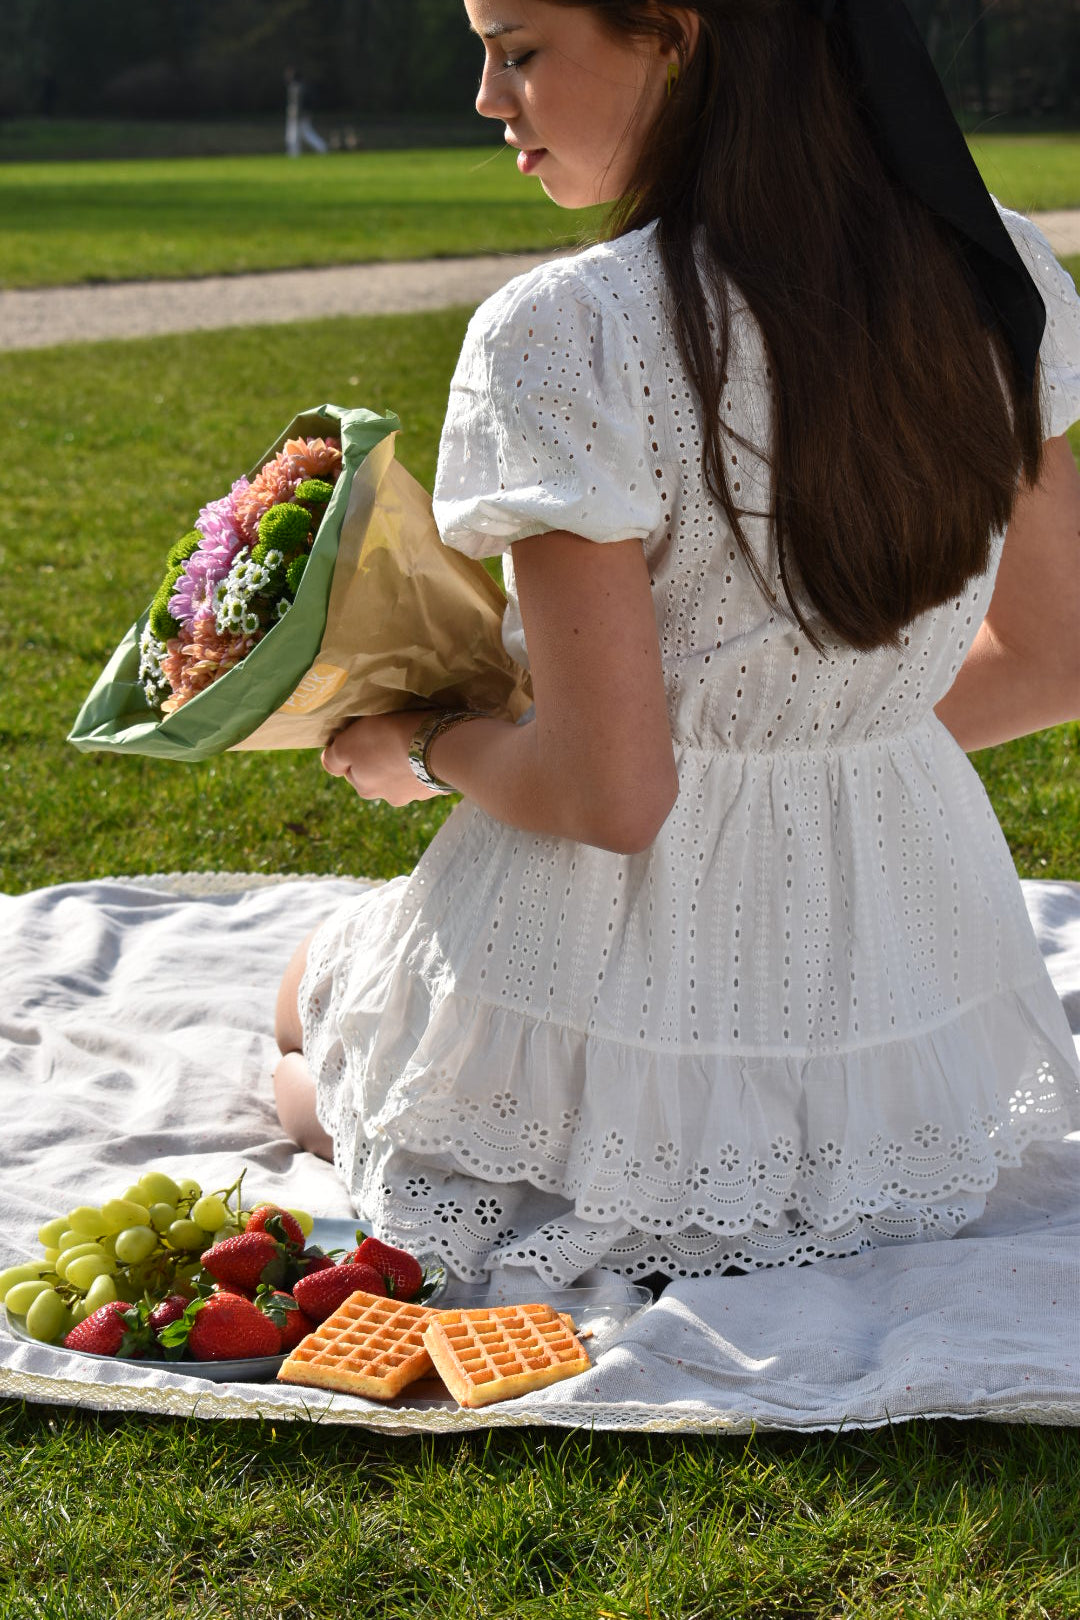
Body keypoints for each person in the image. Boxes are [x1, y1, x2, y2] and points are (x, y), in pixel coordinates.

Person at [273, 0, 1080, 1287]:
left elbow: (615, 796)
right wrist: (818, 741)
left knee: (300, 1036)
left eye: (520, 48)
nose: (488, 98)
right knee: (333, 997)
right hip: (902, 972)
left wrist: (421, 741)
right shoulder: (1000, 274)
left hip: (607, 943)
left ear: (675, 34)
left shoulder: (571, 332)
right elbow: (1055, 656)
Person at [284, 66, 328, 157]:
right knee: (299, 135)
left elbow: (298, 104)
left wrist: (297, 115)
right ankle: (321, 147)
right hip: (300, 115)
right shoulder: (301, 86)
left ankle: (321, 147)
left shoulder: (296, 88)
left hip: (298, 116)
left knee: (298, 135)